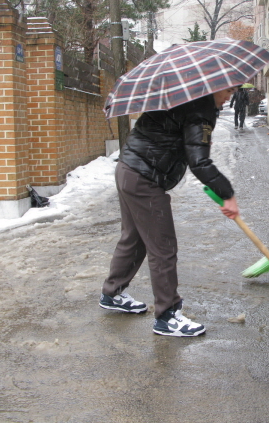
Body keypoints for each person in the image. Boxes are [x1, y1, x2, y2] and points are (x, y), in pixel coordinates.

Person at [99, 87, 240, 336]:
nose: (229, 96)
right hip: (144, 178)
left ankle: (112, 293)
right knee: (163, 247)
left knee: (133, 239)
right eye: (227, 90)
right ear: (213, 87)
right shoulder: (200, 109)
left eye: (234, 91)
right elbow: (200, 161)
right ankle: (167, 316)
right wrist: (227, 194)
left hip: (129, 170)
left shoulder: (182, 98)